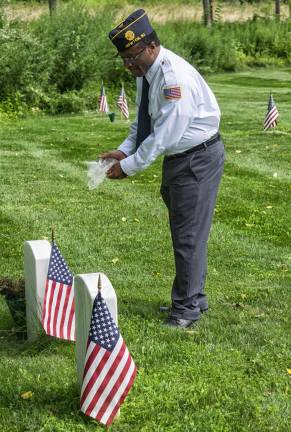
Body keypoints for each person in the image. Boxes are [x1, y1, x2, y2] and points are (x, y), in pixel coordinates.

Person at [102, 9, 225, 328]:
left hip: (196, 158)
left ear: (152, 46)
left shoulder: (173, 79)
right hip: (181, 158)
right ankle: (194, 298)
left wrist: (128, 166)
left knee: (187, 235)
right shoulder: (149, 72)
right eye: (124, 59)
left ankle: (185, 310)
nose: (129, 65)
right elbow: (144, 122)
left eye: (132, 56)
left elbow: (164, 135)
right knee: (188, 231)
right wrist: (124, 149)